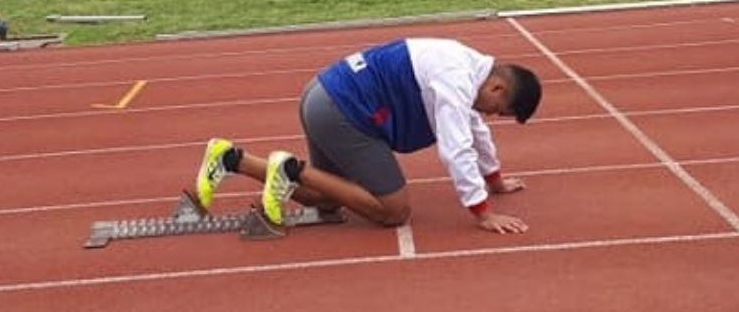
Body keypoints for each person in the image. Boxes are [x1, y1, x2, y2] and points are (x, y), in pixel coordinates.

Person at [194, 38, 542, 234]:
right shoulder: (457, 78)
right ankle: (289, 169)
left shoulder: (469, 64)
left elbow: (474, 129)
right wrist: (482, 212)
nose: (491, 115)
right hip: (342, 109)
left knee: (327, 199)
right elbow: (457, 149)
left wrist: (494, 179)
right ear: (497, 87)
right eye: (500, 109)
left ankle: (230, 158)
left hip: (321, 94)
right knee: (393, 211)